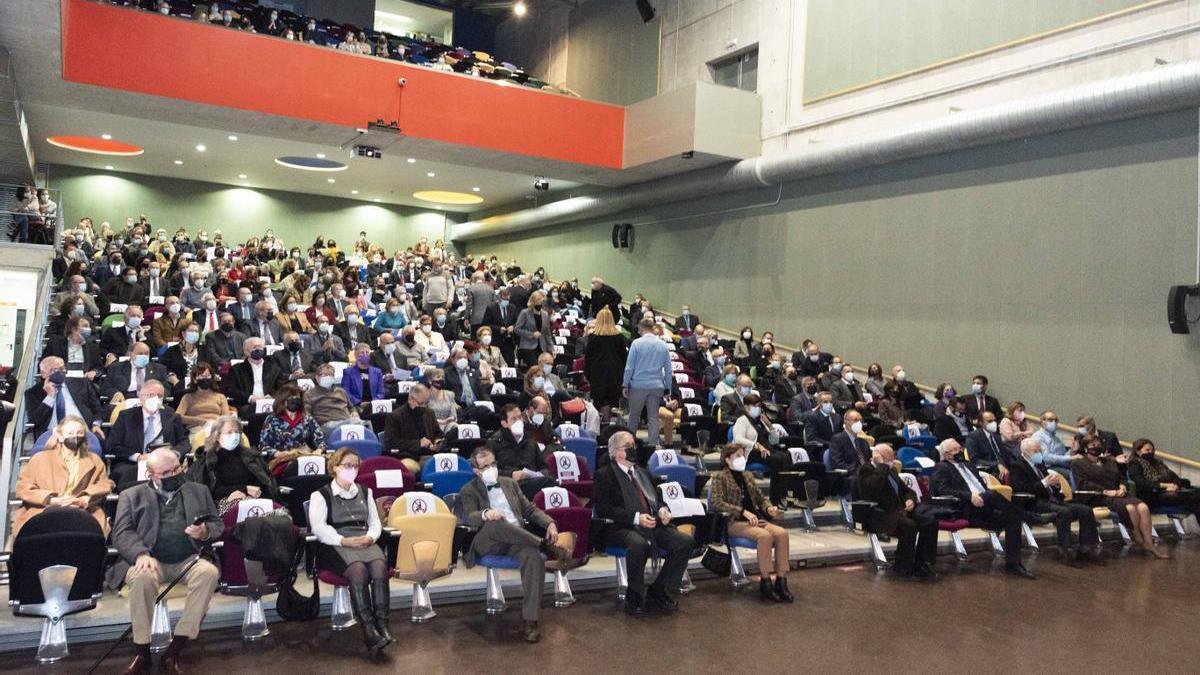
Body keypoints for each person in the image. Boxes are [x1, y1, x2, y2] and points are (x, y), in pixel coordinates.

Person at [112, 448, 222, 674]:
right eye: (165, 473)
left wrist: (204, 532)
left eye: (176, 469)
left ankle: (174, 650)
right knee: (141, 578)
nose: (173, 474)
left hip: (189, 558)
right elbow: (121, 533)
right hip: (149, 561)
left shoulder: (198, 491)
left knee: (209, 573)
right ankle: (142, 651)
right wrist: (140, 553)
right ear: (151, 474)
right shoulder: (131, 496)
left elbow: (217, 525)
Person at [459, 447, 573, 643]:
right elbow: (470, 517)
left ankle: (531, 620)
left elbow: (529, 509)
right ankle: (544, 544)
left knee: (533, 556)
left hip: (516, 539)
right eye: (485, 466)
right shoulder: (468, 490)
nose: (491, 468)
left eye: (493, 464)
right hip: (488, 540)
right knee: (497, 522)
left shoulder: (510, 483)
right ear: (476, 471)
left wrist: (549, 523)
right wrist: (486, 513)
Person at [593, 431, 692, 615]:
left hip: (651, 522)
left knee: (684, 542)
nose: (633, 450)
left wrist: (663, 510)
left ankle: (660, 589)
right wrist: (636, 518)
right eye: (627, 447)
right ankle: (635, 595)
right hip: (618, 527)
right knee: (638, 544)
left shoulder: (643, 472)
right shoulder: (604, 475)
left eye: (634, 446)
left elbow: (656, 499)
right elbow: (604, 509)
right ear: (615, 452)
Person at [308, 448, 393, 658]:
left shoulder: (366, 492)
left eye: (355, 466)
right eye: (347, 465)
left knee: (380, 567)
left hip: (363, 540)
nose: (352, 469)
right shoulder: (321, 495)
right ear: (335, 467)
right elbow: (318, 528)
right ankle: (369, 630)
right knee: (358, 571)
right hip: (335, 543)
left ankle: (382, 625)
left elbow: (375, 523)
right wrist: (343, 540)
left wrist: (370, 538)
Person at [929, 439, 1035, 578]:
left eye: (959, 447)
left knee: (1013, 518)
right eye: (955, 450)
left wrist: (981, 496)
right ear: (947, 454)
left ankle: (1014, 565)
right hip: (964, 508)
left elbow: (981, 488)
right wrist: (969, 496)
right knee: (993, 494)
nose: (959, 451)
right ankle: (1030, 516)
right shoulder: (941, 467)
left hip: (984, 506)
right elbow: (943, 490)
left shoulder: (968, 465)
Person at [709, 444, 793, 601]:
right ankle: (765, 580)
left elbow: (761, 498)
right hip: (733, 522)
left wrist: (769, 508)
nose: (742, 459)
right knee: (765, 536)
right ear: (727, 459)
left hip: (755, 519)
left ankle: (781, 580)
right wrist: (742, 511)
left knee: (782, 533)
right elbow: (717, 503)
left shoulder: (747, 475)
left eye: (743, 455)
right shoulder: (719, 477)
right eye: (738, 456)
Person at [12, 415, 112, 539]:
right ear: (59, 436)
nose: (75, 436)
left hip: (81, 511)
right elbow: (23, 488)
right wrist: (53, 500)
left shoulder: (94, 460)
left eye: (79, 432)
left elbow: (104, 484)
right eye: (70, 432)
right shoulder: (40, 458)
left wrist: (85, 499)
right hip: (44, 510)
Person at [1009, 438, 1103, 566]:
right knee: (1064, 512)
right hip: (1033, 502)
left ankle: (1086, 549)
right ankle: (1065, 551)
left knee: (1085, 510)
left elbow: (1050, 485)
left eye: (1039, 450)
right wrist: (1044, 483)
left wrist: (1055, 485)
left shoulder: (1040, 464)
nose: (1038, 453)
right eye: (1035, 451)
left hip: (1051, 499)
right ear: (1025, 453)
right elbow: (1022, 489)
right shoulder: (1017, 466)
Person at [1072, 435, 1167, 558]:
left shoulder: (1110, 461)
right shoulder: (1078, 464)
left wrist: (1122, 486)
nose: (1097, 447)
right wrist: (1106, 491)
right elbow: (1083, 484)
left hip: (1119, 493)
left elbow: (1121, 477)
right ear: (1085, 448)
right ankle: (1138, 537)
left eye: (1098, 444)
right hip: (1099, 496)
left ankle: (1148, 542)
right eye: (1093, 445)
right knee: (1131, 508)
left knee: (1143, 507)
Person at [855, 444, 939, 580]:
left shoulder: (891, 471)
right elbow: (873, 490)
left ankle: (922, 563)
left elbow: (907, 491)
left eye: (892, 457)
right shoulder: (865, 470)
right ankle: (903, 566)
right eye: (888, 457)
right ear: (877, 456)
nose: (892, 460)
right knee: (909, 525)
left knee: (930, 522)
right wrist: (881, 466)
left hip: (901, 510)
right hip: (880, 514)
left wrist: (910, 500)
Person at [105, 380, 190, 490]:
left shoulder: (172, 416)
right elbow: (112, 444)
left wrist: (173, 454)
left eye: (159, 396)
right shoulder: (126, 416)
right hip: (132, 464)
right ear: (141, 397)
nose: (155, 399)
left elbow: (184, 442)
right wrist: (138, 457)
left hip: (165, 465)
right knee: (128, 479)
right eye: (151, 395)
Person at [187, 415, 277, 504]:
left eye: (237, 432)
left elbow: (265, 482)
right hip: (224, 505)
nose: (234, 435)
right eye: (229, 432)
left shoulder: (251, 455)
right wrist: (244, 489)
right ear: (217, 436)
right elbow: (212, 491)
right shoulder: (207, 461)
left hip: (257, 502)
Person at [730, 393, 793, 506]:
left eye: (759, 406)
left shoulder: (761, 420)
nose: (758, 408)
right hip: (749, 452)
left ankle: (782, 494)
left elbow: (774, 441)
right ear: (746, 407)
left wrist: (770, 426)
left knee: (787, 456)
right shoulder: (742, 420)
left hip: (766, 449)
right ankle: (774, 499)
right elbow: (738, 439)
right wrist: (756, 445)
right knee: (777, 460)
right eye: (755, 406)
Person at [622, 318, 673, 448]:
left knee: (634, 416)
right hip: (656, 385)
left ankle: (630, 444)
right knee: (653, 417)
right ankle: (653, 444)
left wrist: (625, 384)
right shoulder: (662, 345)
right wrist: (668, 388)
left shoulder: (636, 344)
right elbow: (668, 369)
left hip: (638, 385)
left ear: (641, 328)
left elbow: (629, 367)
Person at [487, 403, 556, 498]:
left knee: (552, 482)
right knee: (550, 483)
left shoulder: (530, 440)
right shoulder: (494, 442)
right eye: (514, 419)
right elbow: (489, 470)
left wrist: (539, 474)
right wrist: (512, 474)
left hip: (532, 482)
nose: (518, 421)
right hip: (508, 486)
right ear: (504, 423)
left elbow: (544, 467)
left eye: (519, 418)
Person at [25, 355, 104, 439]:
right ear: (43, 374)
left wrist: (96, 425)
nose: (61, 372)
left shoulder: (83, 383)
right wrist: (49, 397)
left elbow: (98, 409)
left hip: (82, 431)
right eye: (55, 369)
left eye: (63, 368)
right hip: (51, 434)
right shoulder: (33, 392)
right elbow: (34, 420)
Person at [1127, 438, 1200, 522]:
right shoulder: (1134, 464)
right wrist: (1165, 486)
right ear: (1138, 451)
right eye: (1147, 450)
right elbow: (1141, 484)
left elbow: (1176, 478)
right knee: (1194, 498)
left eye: (1152, 450)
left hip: (1168, 493)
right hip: (1151, 495)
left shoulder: (1158, 463)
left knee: (1196, 498)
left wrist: (1175, 485)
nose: (1151, 452)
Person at [383, 383, 443, 474]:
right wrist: (419, 443)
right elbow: (391, 443)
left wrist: (437, 441)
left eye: (426, 403)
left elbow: (438, 433)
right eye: (421, 403)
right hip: (408, 455)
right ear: (410, 399)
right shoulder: (395, 416)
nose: (423, 407)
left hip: (430, 454)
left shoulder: (429, 413)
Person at [259, 383, 326, 458]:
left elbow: (321, 439)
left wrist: (319, 450)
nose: (294, 400)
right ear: (283, 400)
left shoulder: (307, 418)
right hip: (281, 459)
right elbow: (263, 446)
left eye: (297, 398)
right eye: (291, 398)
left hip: (303, 456)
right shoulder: (272, 419)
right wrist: (277, 453)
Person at [584, 307, 626, 421]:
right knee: (612, 401)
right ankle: (610, 424)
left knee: (600, 401)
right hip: (615, 373)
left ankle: (600, 425)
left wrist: (587, 375)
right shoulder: (619, 337)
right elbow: (624, 357)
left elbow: (588, 358)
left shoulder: (593, 337)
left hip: (598, 373)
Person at [101, 341, 175, 401]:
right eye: (140, 353)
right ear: (131, 354)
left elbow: (167, 389)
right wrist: (116, 393)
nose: (144, 356)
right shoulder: (116, 368)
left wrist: (155, 394)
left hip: (150, 401)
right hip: (124, 400)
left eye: (146, 353)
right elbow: (105, 388)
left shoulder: (159, 369)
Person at [227, 337, 285, 411]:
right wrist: (250, 398)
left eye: (260, 347)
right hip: (247, 404)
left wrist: (273, 396)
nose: (258, 350)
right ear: (246, 352)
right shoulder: (237, 369)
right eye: (254, 347)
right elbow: (231, 390)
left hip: (271, 403)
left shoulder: (274, 368)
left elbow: (282, 387)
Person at [174, 362, 231, 435]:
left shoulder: (220, 397)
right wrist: (196, 420)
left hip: (217, 428)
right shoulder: (187, 397)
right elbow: (177, 417)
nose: (205, 378)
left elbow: (226, 418)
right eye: (201, 375)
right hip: (197, 429)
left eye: (207, 375)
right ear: (194, 379)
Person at [514, 290, 553, 368]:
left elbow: (547, 334)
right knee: (536, 368)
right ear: (533, 302)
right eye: (539, 302)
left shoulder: (545, 314)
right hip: (527, 346)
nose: (540, 304)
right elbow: (517, 329)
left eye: (542, 302)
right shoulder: (524, 313)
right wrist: (531, 334)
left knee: (545, 367)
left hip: (542, 346)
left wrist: (551, 348)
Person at [964, 411, 1009, 476]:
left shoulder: (996, 435)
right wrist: (996, 464)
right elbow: (975, 460)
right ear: (981, 423)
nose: (994, 423)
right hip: (990, 470)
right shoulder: (973, 437)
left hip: (1005, 466)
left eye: (994, 420)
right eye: (990, 421)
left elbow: (1005, 453)